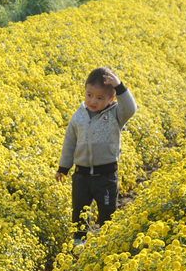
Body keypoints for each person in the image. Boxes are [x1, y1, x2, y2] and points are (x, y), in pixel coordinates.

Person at [54, 67, 137, 244]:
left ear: (111, 99)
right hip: (81, 175)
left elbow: (131, 108)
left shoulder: (115, 114)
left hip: (105, 176)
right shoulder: (78, 116)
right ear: (84, 92)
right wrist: (63, 168)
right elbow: (69, 143)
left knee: (107, 211)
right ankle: (78, 244)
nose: (93, 101)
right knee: (79, 211)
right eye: (89, 95)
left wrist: (119, 86)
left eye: (100, 98)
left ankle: (106, 243)